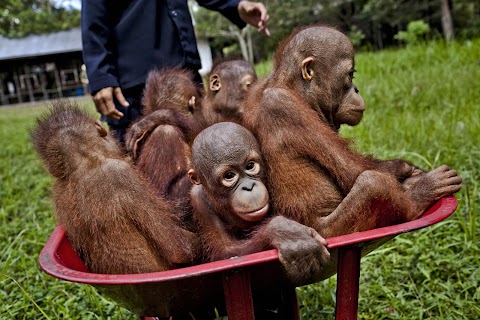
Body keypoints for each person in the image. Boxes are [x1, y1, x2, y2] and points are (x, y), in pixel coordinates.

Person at [81, 0, 270, 143]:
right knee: (139, 162)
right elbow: (93, 17)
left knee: (200, 148)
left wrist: (235, 4)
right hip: (135, 80)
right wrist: (100, 76)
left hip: (184, 71)